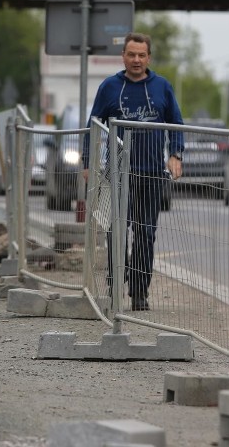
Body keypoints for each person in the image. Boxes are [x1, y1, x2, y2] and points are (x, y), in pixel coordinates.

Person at [82, 33, 184, 312]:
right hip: (117, 174)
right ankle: (116, 286)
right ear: (123, 56)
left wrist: (175, 154)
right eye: (131, 54)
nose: (136, 60)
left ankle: (140, 291)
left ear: (148, 57)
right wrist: (87, 162)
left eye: (141, 55)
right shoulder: (109, 87)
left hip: (151, 173)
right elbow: (93, 125)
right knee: (116, 231)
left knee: (145, 234)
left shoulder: (162, 87)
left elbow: (176, 122)